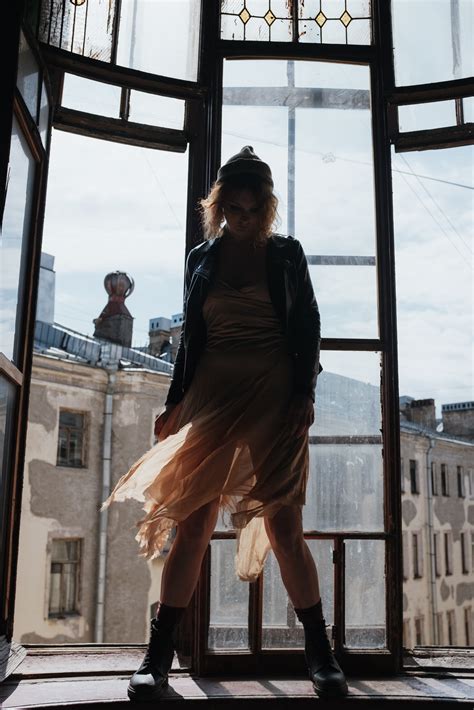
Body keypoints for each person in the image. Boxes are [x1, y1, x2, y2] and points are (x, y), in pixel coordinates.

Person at [103, 146, 348, 701]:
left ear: (267, 207)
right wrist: (173, 402)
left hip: (274, 396)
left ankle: (320, 653)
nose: (241, 217)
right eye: (232, 207)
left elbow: (308, 323)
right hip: (210, 394)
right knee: (192, 523)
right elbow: (192, 338)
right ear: (218, 205)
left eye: (252, 207)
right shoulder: (201, 258)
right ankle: (157, 659)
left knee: (284, 527)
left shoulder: (286, 254)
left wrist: (305, 392)